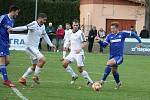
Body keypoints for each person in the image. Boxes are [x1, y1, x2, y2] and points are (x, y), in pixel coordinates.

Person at [10, 13, 56, 85]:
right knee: (42, 60)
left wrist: (51, 44)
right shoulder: (34, 24)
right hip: (29, 47)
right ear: (40, 18)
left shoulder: (43, 26)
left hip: (35, 48)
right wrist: (12, 29)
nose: (45, 21)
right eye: (44, 20)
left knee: (34, 66)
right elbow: (24, 27)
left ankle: (23, 78)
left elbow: (45, 35)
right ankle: (35, 76)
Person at [98, 23, 142, 89]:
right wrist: (99, 41)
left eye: (113, 28)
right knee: (114, 71)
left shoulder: (122, 34)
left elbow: (133, 33)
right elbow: (104, 45)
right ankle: (118, 83)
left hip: (119, 57)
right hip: (112, 57)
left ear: (117, 28)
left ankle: (102, 81)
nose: (112, 30)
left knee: (109, 63)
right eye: (111, 29)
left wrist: (139, 42)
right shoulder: (109, 36)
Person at [62, 19, 93, 86]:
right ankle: (74, 75)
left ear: (78, 26)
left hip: (79, 53)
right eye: (74, 25)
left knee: (80, 69)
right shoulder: (70, 33)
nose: (75, 26)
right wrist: (66, 46)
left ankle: (90, 81)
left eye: (77, 25)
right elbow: (69, 41)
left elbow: (85, 42)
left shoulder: (80, 33)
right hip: (72, 53)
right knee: (64, 63)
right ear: (72, 26)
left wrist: (80, 48)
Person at [0, 5, 20, 88]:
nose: (17, 14)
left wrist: (8, 42)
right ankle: (6, 80)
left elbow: (7, 31)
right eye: (17, 12)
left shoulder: (12, 21)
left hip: (5, 42)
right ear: (13, 11)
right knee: (2, 60)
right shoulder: (3, 17)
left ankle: (4, 77)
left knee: (7, 61)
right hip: (0, 41)